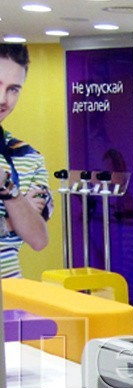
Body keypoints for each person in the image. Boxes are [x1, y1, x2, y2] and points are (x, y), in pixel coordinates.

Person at [0, 43, 51, 279]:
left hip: (11, 292)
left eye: (13, 89)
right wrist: (12, 223)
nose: (3, 99)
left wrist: (9, 190)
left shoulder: (29, 156)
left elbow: (38, 239)